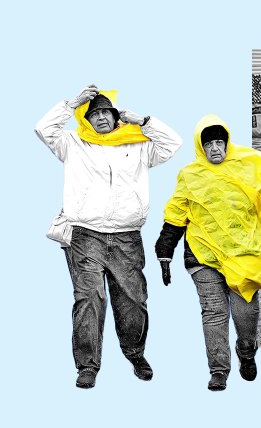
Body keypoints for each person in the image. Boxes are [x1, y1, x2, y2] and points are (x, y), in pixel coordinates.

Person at [35, 85, 182, 389]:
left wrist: (143, 121)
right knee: (88, 300)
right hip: (85, 235)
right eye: (94, 113)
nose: (101, 117)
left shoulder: (138, 144)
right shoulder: (73, 142)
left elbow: (173, 143)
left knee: (133, 300)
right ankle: (87, 365)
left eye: (106, 112)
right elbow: (44, 129)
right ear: (87, 119)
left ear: (116, 117)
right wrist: (73, 102)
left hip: (127, 237)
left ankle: (135, 353)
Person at [155, 115, 261, 391]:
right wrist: (165, 252)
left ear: (227, 144)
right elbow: (175, 214)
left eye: (219, 143)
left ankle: (246, 351)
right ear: (201, 147)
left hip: (244, 252)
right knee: (213, 312)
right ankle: (218, 370)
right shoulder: (190, 175)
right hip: (202, 253)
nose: (214, 149)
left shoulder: (248, 167)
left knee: (244, 311)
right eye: (208, 143)